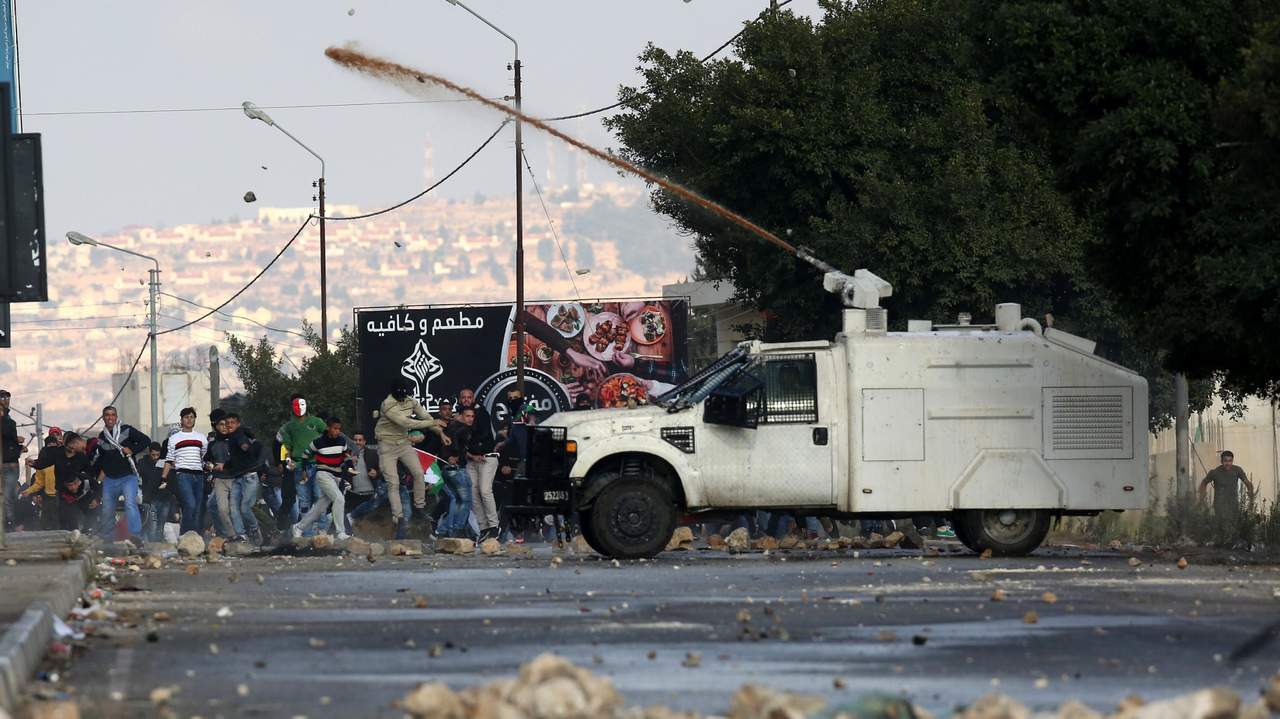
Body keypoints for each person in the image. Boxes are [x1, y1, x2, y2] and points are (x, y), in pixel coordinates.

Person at [374, 379, 449, 529]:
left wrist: (440, 433)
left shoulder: (411, 401)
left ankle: (419, 507)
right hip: (387, 445)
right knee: (393, 482)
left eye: (405, 395)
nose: (403, 399)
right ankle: (398, 516)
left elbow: (426, 417)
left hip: (403, 442)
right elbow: (406, 423)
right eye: (400, 396)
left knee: (419, 472)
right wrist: (433, 423)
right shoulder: (387, 405)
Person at [91, 406, 151, 544]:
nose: (110, 417)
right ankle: (108, 539)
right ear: (103, 418)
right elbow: (101, 459)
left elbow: (146, 440)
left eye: (113, 415)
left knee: (130, 504)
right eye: (107, 415)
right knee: (107, 509)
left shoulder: (127, 430)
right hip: (110, 479)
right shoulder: (102, 437)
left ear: (116, 417)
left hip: (128, 476)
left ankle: (135, 536)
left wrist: (132, 449)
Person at [292, 417, 352, 541]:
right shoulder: (318, 442)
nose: (338, 431)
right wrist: (304, 470)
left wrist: (350, 467)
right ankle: (340, 532)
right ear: (328, 428)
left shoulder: (342, 441)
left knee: (320, 507)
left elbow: (346, 456)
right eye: (335, 428)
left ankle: (299, 527)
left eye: (339, 429)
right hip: (323, 474)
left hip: (336, 476)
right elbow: (305, 455)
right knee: (339, 499)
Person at [277, 394, 327, 532]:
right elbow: (286, 445)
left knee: (319, 497)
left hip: (317, 464)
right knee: (304, 501)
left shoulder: (316, 422)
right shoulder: (288, 427)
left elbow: (328, 434)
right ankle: (307, 532)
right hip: (299, 467)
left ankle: (321, 530)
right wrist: (287, 460)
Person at [25, 432, 90, 530]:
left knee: (74, 516)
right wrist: (34, 463)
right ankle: (65, 534)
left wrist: (81, 481)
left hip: (77, 490)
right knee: (62, 516)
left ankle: (78, 532)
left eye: (74, 444)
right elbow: (45, 463)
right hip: (61, 490)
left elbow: (89, 472)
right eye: (69, 445)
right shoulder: (58, 453)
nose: (72, 447)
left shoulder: (81, 456)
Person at [459, 388, 500, 542]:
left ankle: (494, 526)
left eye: (469, 397)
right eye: (463, 397)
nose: (466, 400)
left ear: (474, 399)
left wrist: (464, 424)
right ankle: (484, 528)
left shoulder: (481, 413)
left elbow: (482, 433)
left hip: (486, 458)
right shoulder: (458, 416)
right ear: (460, 399)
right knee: (473, 493)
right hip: (472, 460)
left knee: (485, 490)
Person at [162, 407, 208, 536]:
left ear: (195, 419)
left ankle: (195, 536)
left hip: (199, 475)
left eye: (192, 417)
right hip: (183, 475)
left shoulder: (201, 438)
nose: (189, 419)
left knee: (197, 508)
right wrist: (163, 477)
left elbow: (204, 456)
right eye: (186, 417)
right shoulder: (174, 438)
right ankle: (184, 534)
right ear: (181, 420)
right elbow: (169, 459)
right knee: (190, 505)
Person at [224, 412, 264, 544]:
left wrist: (245, 446)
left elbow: (243, 444)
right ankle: (241, 535)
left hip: (249, 477)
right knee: (233, 507)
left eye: (232, 423)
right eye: (227, 423)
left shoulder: (238, 434)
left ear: (238, 424)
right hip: (238, 477)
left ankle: (255, 530)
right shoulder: (232, 437)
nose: (229, 425)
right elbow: (236, 458)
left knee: (246, 508)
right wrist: (223, 466)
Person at [437, 407, 475, 539]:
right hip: (457, 469)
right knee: (466, 501)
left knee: (456, 500)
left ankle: (443, 531)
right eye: (467, 416)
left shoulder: (450, 427)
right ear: (460, 416)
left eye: (472, 416)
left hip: (446, 468)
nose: (470, 419)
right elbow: (458, 445)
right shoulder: (464, 429)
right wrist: (456, 456)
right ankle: (457, 529)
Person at [205, 411, 238, 540]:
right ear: (216, 426)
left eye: (226, 424)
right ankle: (227, 534)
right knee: (217, 507)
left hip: (236, 479)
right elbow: (206, 461)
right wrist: (210, 466)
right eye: (221, 424)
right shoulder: (213, 444)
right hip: (220, 480)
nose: (224, 427)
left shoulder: (235, 441)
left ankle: (248, 532)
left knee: (241, 508)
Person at [1199, 450, 1256, 522]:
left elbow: (1247, 482)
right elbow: (1204, 483)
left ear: (1232, 461)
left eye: (1230, 461)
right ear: (1221, 461)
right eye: (1225, 461)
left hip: (1233, 506)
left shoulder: (1237, 470)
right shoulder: (1215, 472)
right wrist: (1202, 496)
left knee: (1234, 525)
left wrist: (1251, 494)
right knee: (1220, 526)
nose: (1228, 463)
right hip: (1219, 507)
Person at [0, 389, 29, 531]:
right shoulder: (7, 421)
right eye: (3, 398)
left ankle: (10, 523)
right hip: (4, 463)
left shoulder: (9, 421)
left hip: (10, 464)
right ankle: (7, 523)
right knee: (5, 496)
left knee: (9, 495)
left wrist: (18, 446)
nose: (6, 400)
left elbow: (8, 439)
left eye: (7, 397)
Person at [343, 431, 379, 534]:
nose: (357, 442)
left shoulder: (372, 454)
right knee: (351, 521)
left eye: (360, 440)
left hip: (370, 492)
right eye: (355, 440)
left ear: (364, 442)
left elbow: (382, 469)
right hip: (352, 493)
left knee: (367, 520)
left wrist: (376, 473)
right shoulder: (346, 455)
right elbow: (341, 472)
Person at [139, 442, 174, 543]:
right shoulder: (143, 463)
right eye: (153, 455)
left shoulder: (165, 463)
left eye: (157, 455)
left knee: (160, 526)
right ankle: (150, 546)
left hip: (165, 498)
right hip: (150, 500)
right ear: (149, 453)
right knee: (151, 527)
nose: (155, 457)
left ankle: (156, 547)